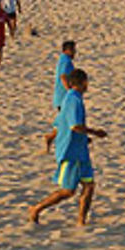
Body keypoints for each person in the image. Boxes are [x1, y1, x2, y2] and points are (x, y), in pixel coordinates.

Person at [29, 69, 106, 226]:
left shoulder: (73, 98)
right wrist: (95, 132)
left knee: (89, 185)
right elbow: (75, 126)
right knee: (68, 191)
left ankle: (81, 221)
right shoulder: (73, 100)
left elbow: (59, 123)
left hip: (81, 152)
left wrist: (85, 138)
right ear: (83, 82)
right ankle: (37, 208)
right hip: (72, 153)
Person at [43, 41, 77, 152]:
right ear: (67, 50)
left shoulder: (64, 60)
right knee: (67, 120)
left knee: (64, 120)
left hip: (62, 96)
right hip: (63, 96)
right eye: (73, 50)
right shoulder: (65, 61)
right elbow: (63, 77)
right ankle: (53, 138)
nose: (75, 53)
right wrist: (70, 91)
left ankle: (51, 138)